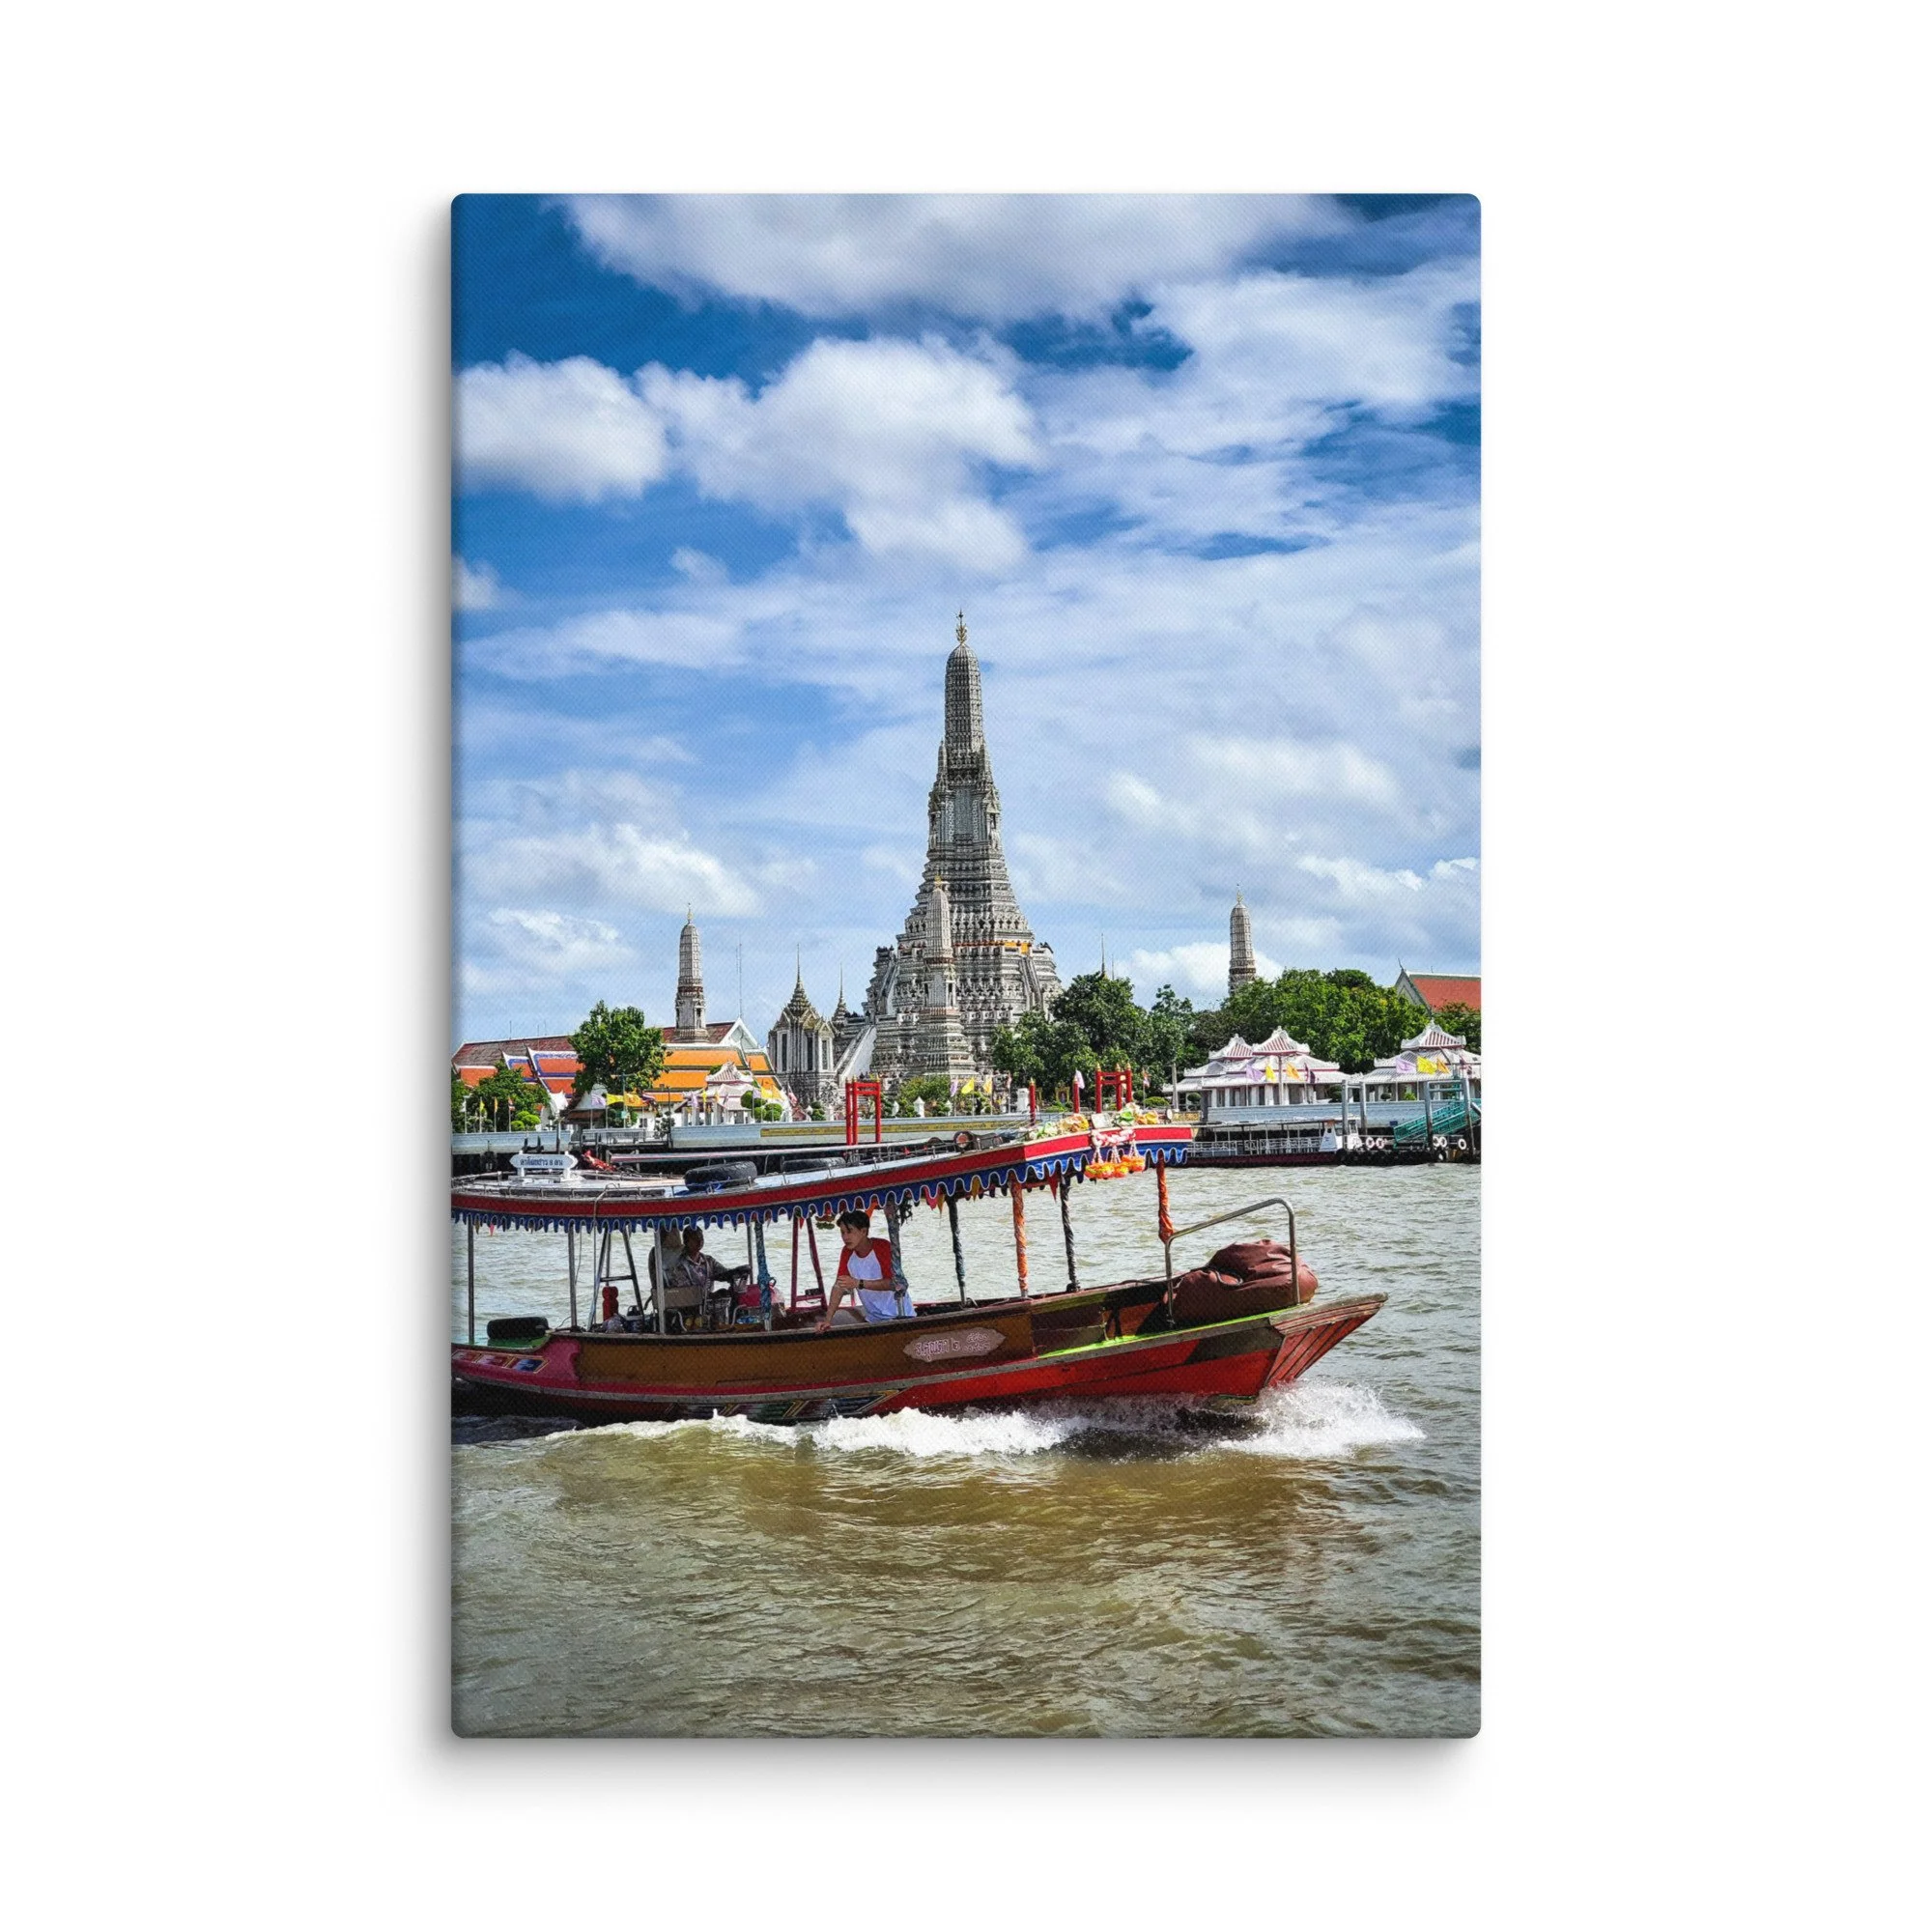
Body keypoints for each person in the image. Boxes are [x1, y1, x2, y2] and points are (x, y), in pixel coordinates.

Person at [818, 1209, 914, 1329]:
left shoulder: (882, 1247)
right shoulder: (846, 1252)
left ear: (863, 1231)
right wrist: (828, 1320)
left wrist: (858, 1283)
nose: (845, 1237)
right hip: (873, 1319)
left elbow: (894, 1283)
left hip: (900, 1315)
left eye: (849, 1232)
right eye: (842, 1233)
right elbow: (839, 1286)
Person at [663, 1227, 747, 1330]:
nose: (700, 1241)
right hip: (690, 1307)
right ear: (686, 1241)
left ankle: (733, 1323)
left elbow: (724, 1272)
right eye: (695, 1238)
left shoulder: (708, 1261)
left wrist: (737, 1273)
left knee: (729, 1293)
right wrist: (707, 1295)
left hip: (710, 1304)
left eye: (701, 1237)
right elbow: (683, 1291)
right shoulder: (678, 1265)